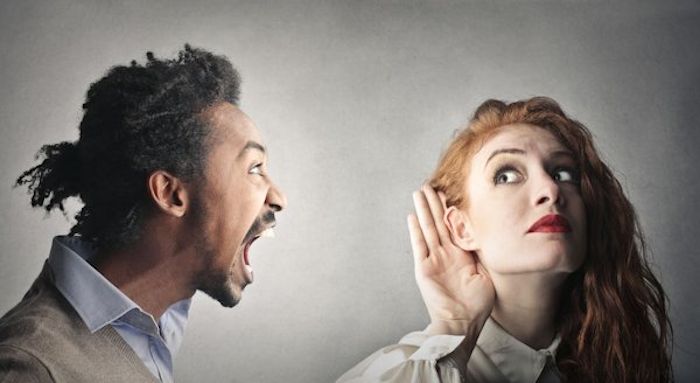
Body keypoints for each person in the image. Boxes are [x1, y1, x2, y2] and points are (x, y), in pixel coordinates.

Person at [0, 45, 287, 382]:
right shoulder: (33, 369)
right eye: (254, 168)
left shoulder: (155, 325)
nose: (278, 198)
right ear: (170, 193)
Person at [338, 97, 672, 382]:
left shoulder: (620, 360)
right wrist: (455, 326)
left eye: (562, 173)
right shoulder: (398, 370)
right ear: (461, 228)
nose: (551, 190)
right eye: (506, 175)